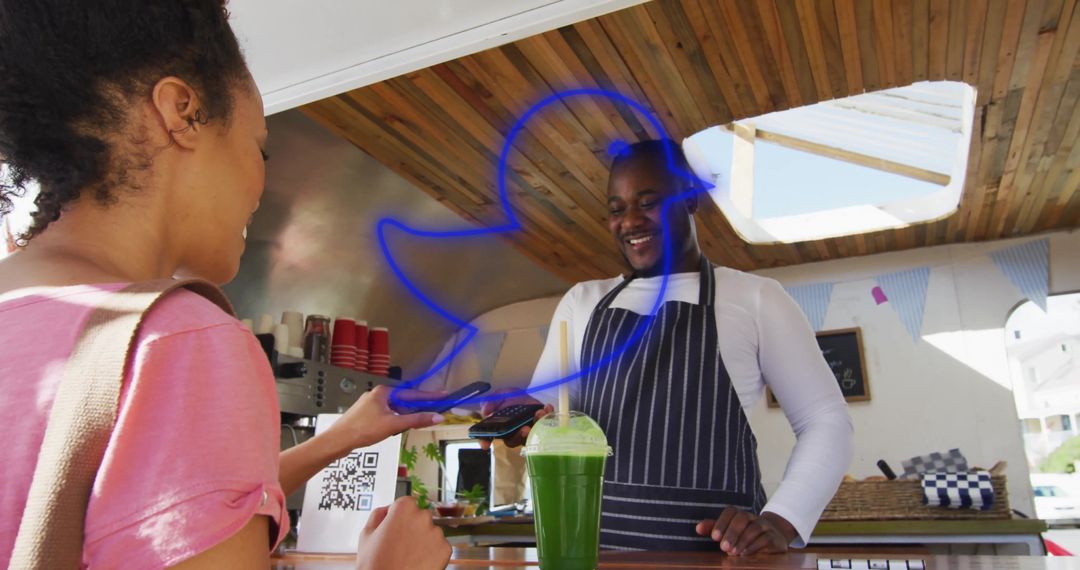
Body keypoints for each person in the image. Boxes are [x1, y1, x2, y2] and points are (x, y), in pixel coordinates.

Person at [0, 2, 451, 568]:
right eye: (259, 146)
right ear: (181, 112)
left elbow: (137, 509)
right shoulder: (178, 343)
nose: (261, 179)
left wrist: (343, 436)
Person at [482, 139, 853, 555]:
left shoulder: (756, 298)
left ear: (691, 200)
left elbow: (826, 421)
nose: (630, 221)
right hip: (594, 556)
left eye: (648, 202)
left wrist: (782, 520)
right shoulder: (582, 302)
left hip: (718, 560)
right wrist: (524, 416)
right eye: (617, 209)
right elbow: (552, 412)